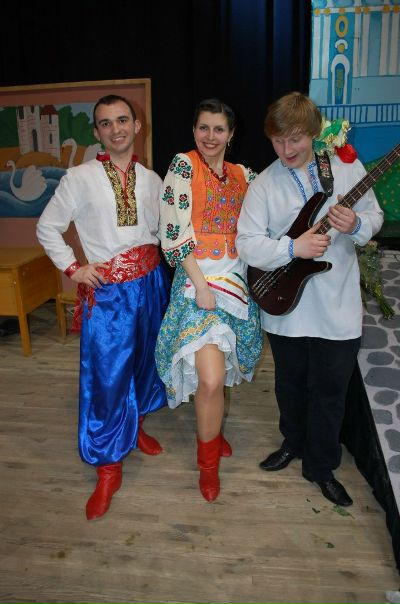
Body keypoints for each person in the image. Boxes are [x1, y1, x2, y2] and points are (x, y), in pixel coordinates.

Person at [236, 91, 384, 507]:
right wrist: (291, 248)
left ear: (314, 133)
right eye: (278, 141)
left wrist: (355, 223)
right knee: (290, 385)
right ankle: (293, 443)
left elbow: (374, 218)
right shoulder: (264, 184)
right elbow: (247, 243)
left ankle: (321, 466)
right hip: (285, 306)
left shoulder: (346, 167)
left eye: (296, 139)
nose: (286, 150)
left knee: (330, 390)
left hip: (337, 305)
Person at [37, 94, 170, 520]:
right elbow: (48, 227)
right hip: (109, 293)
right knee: (108, 378)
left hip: (152, 285)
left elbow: (165, 233)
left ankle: (136, 427)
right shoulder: (79, 178)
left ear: (137, 125)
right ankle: (108, 464)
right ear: (97, 131)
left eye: (123, 120)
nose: (116, 129)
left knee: (147, 364)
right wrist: (74, 268)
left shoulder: (152, 180)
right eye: (106, 123)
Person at [155, 98, 263, 502]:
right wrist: (200, 286)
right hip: (197, 285)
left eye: (219, 129)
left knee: (218, 377)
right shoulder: (183, 166)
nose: (210, 136)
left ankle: (212, 434)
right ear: (194, 131)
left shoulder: (245, 175)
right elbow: (174, 229)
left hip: (236, 284)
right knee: (212, 378)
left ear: (231, 134)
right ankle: (208, 464)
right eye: (204, 128)